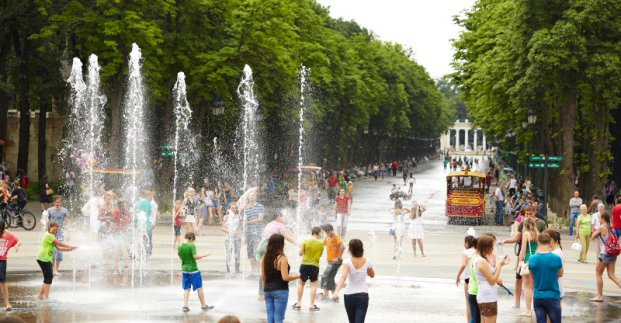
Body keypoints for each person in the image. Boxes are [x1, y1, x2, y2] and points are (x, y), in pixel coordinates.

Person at [500, 205, 545, 309]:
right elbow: (516, 237)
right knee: (519, 279)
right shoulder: (522, 223)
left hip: (526, 257)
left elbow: (544, 239)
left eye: (530, 214)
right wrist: (506, 241)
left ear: (535, 213)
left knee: (529, 283)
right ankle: (518, 303)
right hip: (533, 256)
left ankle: (531, 306)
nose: (528, 216)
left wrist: (520, 262)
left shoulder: (541, 223)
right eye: (526, 214)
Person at [333, 239, 375, 323]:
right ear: (361, 248)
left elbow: (343, 277)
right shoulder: (367, 261)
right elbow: (372, 275)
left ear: (350, 249)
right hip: (362, 295)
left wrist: (336, 291)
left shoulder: (347, 262)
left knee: (352, 321)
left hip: (349, 295)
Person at [262, 233, 300, 323]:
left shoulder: (265, 257)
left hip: (268, 290)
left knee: (270, 318)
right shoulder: (282, 258)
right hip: (280, 290)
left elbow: (264, 277)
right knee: (279, 319)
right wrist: (297, 276)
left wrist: (266, 289)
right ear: (281, 244)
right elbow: (285, 277)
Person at [473, 235, 511, 323]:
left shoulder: (481, 259)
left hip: (486, 297)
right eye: (492, 246)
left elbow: (491, 275)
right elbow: (492, 280)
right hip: (488, 298)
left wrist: (501, 264)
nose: (493, 248)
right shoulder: (481, 261)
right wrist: (500, 266)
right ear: (486, 247)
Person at [37, 222, 78, 301]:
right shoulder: (48, 235)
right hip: (43, 258)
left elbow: (59, 248)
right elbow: (59, 243)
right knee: (48, 278)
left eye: (56, 231)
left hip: (45, 259)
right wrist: (70, 246)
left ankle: (40, 296)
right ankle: (46, 298)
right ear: (49, 227)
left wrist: (70, 250)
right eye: (53, 229)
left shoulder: (51, 236)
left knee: (47, 278)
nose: (54, 231)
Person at [528, 232, 563, 323]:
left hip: (538, 295)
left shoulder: (532, 259)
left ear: (538, 242)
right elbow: (560, 274)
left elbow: (532, 278)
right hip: (553, 295)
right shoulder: (556, 258)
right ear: (550, 241)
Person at [177, 232, 214, 312]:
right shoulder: (192, 245)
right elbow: (195, 257)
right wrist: (204, 255)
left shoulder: (180, 245)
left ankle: (185, 306)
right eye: (193, 240)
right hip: (193, 270)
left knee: (186, 288)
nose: (193, 242)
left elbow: (180, 256)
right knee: (199, 287)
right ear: (192, 239)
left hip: (184, 270)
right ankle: (203, 305)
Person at [589, 212, 621, 302]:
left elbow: (592, 237)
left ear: (602, 218)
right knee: (611, 275)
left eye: (600, 218)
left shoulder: (602, 227)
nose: (599, 219)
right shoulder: (611, 228)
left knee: (598, 274)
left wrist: (596, 231)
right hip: (613, 253)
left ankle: (599, 296)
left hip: (604, 254)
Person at [293, 227, 324, 311]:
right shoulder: (321, 243)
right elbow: (320, 255)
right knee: (313, 285)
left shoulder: (305, 241)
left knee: (301, 283)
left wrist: (300, 247)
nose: (322, 234)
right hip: (315, 265)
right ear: (318, 233)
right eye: (321, 232)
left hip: (304, 264)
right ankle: (312, 305)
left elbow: (300, 253)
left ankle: (298, 303)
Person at [517, 217, 539, 317]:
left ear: (525, 224)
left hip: (528, 261)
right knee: (534, 287)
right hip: (536, 260)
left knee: (527, 287)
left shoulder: (526, 234)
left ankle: (528, 311)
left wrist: (520, 263)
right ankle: (536, 307)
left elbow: (523, 250)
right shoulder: (537, 234)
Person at [319, 223, 345, 301]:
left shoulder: (336, 237)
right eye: (327, 232)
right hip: (331, 262)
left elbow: (343, 247)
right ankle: (335, 297)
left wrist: (338, 257)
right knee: (330, 278)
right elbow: (321, 244)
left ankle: (326, 295)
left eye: (329, 231)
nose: (329, 233)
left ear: (332, 230)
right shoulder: (327, 238)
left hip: (336, 262)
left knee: (325, 276)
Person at [46, 196, 71, 276]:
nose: (57, 204)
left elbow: (68, 222)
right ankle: (51, 269)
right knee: (51, 251)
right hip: (51, 234)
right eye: (56, 202)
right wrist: (46, 232)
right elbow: (46, 222)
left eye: (59, 202)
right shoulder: (50, 210)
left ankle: (56, 270)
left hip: (60, 233)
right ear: (54, 202)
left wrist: (68, 233)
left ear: (61, 202)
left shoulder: (64, 211)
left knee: (59, 252)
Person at [242, 190, 266, 274]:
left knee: (257, 251)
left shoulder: (260, 206)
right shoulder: (246, 208)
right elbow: (244, 220)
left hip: (257, 232)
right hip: (248, 233)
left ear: (256, 197)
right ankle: (253, 270)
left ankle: (259, 269)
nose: (251, 197)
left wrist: (247, 222)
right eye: (250, 196)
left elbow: (260, 219)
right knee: (250, 252)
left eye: (253, 195)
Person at [456, 235, 477, 323]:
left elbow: (463, 265)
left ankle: (469, 321)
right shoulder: (478, 251)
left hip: (468, 279)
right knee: (477, 303)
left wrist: (458, 275)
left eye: (464, 242)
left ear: (467, 243)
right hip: (477, 279)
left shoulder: (465, 252)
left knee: (469, 303)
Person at [0, 221, 20, 311]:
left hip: (2, 260)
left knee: (3, 281)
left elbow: (19, 241)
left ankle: (7, 303)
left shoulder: (7, 233)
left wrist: (16, 245)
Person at [221, 203, 241, 274]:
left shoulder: (239, 216)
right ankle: (228, 270)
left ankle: (237, 270)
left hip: (238, 238)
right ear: (229, 209)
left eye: (235, 208)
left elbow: (241, 227)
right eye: (232, 208)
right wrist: (230, 231)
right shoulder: (226, 217)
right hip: (228, 239)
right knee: (229, 254)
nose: (234, 209)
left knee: (237, 254)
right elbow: (222, 228)